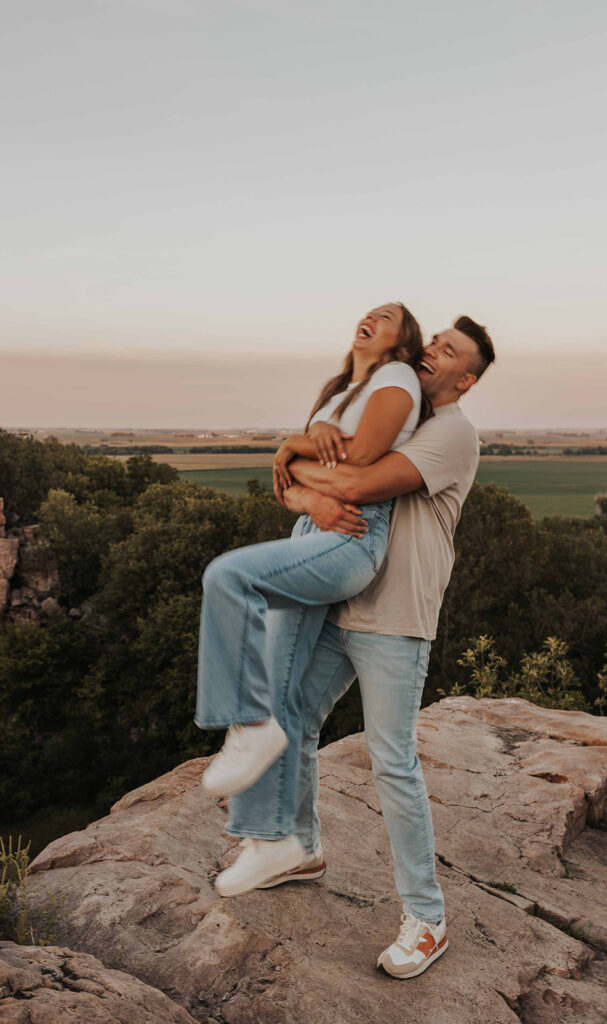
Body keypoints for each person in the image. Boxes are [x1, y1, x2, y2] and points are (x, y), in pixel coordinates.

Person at [216, 315, 495, 981]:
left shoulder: (450, 432)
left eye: (448, 352)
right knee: (295, 719)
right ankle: (303, 848)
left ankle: (426, 920)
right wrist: (299, 461)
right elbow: (303, 488)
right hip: (339, 605)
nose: (432, 352)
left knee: (392, 761)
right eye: (433, 342)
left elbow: (357, 484)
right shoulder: (392, 411)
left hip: (395, 617)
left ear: (468, 377)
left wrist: (298, 464)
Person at [196, 302, 425, 884]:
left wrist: (296, 446)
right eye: (372, 309)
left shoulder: (395, 379)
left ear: (403, 341)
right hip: (311, 532)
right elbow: (290, 488)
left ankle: (244, 725)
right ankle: (287, 844)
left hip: (349, 540)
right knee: (285, 693)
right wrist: (304, 476)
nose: (373, 315)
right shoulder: (337, 391)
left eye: (390, 316)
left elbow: (360, 466)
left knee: (228, 577)